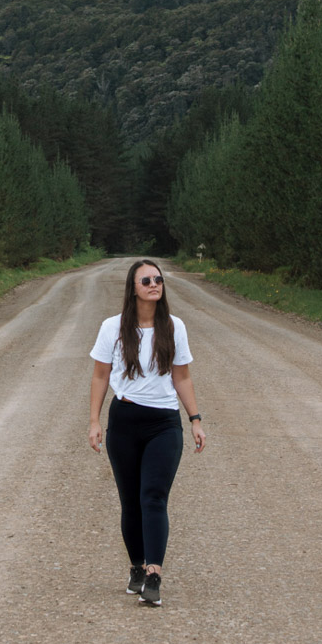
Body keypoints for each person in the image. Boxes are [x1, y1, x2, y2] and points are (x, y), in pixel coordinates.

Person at [88, 259, 206, 606]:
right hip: (124, 420)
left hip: (164, 424)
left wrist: (195, 419)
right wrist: (94, 421)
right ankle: (136, 566)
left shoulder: (174, 327)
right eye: (146, 280)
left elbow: (182, 377)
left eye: (158, 279)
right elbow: (99, 376)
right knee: (130, 502)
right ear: (134, 288)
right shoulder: (112, 328)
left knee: (153, 496)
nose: (154, 284)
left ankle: (153, 574)